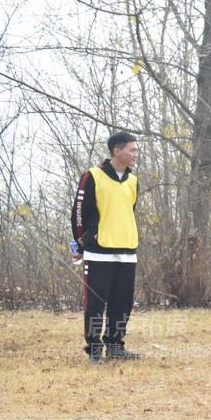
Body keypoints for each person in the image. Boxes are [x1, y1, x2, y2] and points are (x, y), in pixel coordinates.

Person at [71, 131, 142, 363]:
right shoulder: (93, 176)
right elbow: (79, 213)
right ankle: (94, 351)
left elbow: (128, 212)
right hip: (98, 253)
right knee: (95, 306)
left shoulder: (133, 180)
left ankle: (115, 346)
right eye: (132, 149)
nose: (136, 154)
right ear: (117, 151)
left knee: (121, 305)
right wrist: (83, 243)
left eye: (136, 149)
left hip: (127, 252)